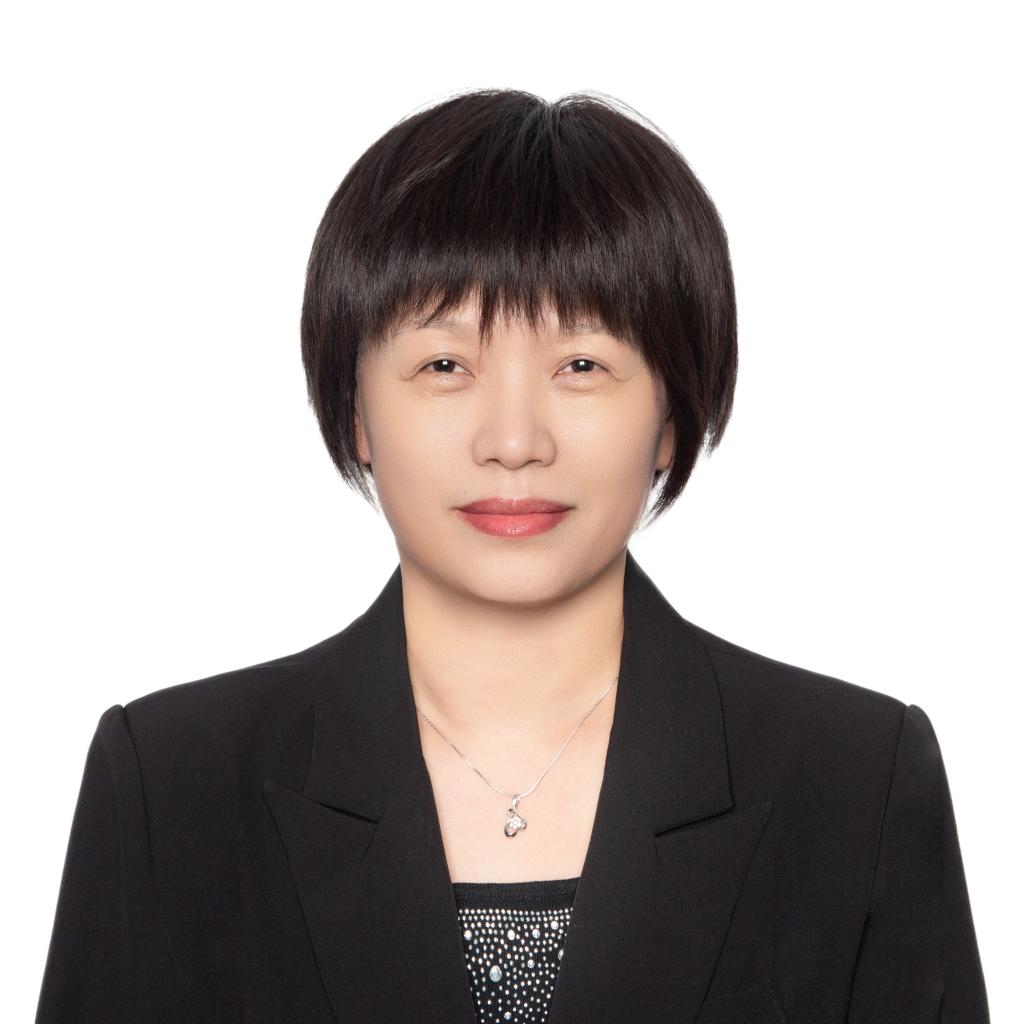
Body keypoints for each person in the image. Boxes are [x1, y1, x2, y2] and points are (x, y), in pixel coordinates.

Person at [35, 88, 989, 1024]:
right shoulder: (171, 788)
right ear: (356, 411)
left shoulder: (856, 784)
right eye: (445, 365)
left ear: (670, 414)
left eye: (582, 365)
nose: (515, 441)